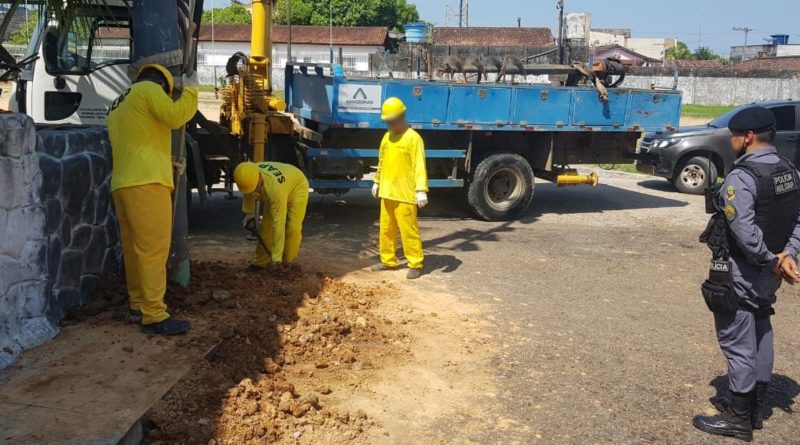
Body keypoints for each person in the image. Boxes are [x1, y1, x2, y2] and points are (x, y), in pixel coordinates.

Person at [694, 106, 800, 441]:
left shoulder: (742, 178)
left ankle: (738, 419)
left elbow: (745, 232)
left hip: (745, 271)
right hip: (771, 272)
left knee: (737, 337)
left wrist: (770, 259)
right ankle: (754, 407)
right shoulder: (790, 171)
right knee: (759, 323)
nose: (732, 141)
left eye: (734, 136)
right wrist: (788, 256)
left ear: (748, 137)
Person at [107, 64, 198, 335]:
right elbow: (175, 116)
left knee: (134, 249)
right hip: (147, 183)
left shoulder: (118, 103)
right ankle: (154, 315)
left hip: (123, 184)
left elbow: (138, 141)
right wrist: (192, 91)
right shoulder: (149, 90)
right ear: (164, 86)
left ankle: (139, 303)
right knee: (154, 250)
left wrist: (168, 162)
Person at [370, 97, 428, 280]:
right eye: (386, 121)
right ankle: (388, 260)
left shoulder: (413, 138)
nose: (388, 125)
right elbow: (381, 162)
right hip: (387, 192)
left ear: (401, 117)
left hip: (405, 194)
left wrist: (421, 190)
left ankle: (415, 262)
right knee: (386, 229)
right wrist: (377, 181)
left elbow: (419, 165)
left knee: (408, 230)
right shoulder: (386, 138)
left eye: (391, 121)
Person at [233, 161, 309, 269]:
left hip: (297, 188)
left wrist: (276, 260)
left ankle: (287, 262)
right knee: (266, 227)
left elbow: (278, 225)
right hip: (281, 184)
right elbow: (248, 192)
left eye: (255, 187)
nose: (253, 191)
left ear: (259, 177)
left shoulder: (275, 190)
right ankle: (260, 263)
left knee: (293, 228)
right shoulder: (249, 175)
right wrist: (249, 213)